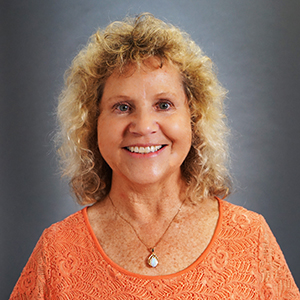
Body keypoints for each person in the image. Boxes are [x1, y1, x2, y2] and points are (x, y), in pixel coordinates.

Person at [10, 13, 299, 299]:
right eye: (122, 107)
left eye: (163, 104)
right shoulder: (57, 252)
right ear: (93, 123)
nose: (144, 127)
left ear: (194, 118)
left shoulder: (251, 239)